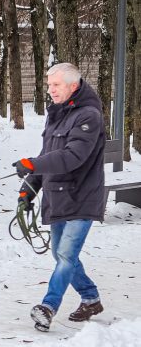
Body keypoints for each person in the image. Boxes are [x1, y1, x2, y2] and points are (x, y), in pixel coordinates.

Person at [13, 62, 106, 332]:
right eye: (49, 84)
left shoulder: (89, 115)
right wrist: (29, 189)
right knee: (60, 253)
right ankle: (91, 298)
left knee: (65, 255)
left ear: (73, 86)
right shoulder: (58, 114)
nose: (50, 90)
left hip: (82, 197)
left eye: (56, 85)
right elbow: (48, 156)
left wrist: (31, 164)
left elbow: (72, 157)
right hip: (58, 197)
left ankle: (48, 306)